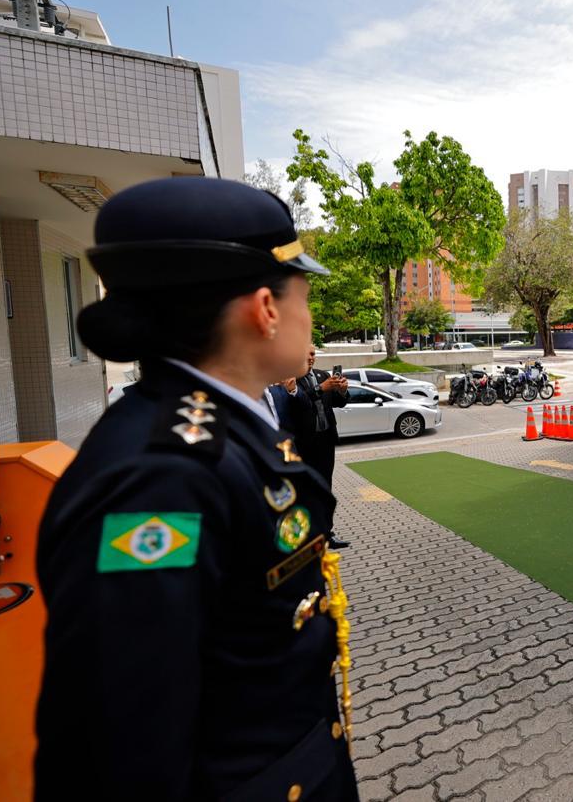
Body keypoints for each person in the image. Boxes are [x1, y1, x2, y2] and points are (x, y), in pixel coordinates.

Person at [34, 177, 359, 801]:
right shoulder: (162, 478)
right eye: (305, 294)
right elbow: (119, 750)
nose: (310, 315)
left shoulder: (222, 429)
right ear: (265, 309)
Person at [293, 346, 349, 548]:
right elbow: (295, 405)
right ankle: (306, 536)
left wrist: (342, 390)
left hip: (325, 441)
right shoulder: (290, 379)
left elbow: (339, 403)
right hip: (303, 445)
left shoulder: (322, 375)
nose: (311, 358)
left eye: (313, 354)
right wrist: (320, 389)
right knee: (305, 492)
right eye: (307, 354)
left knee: (325, 489)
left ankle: (326, 533)